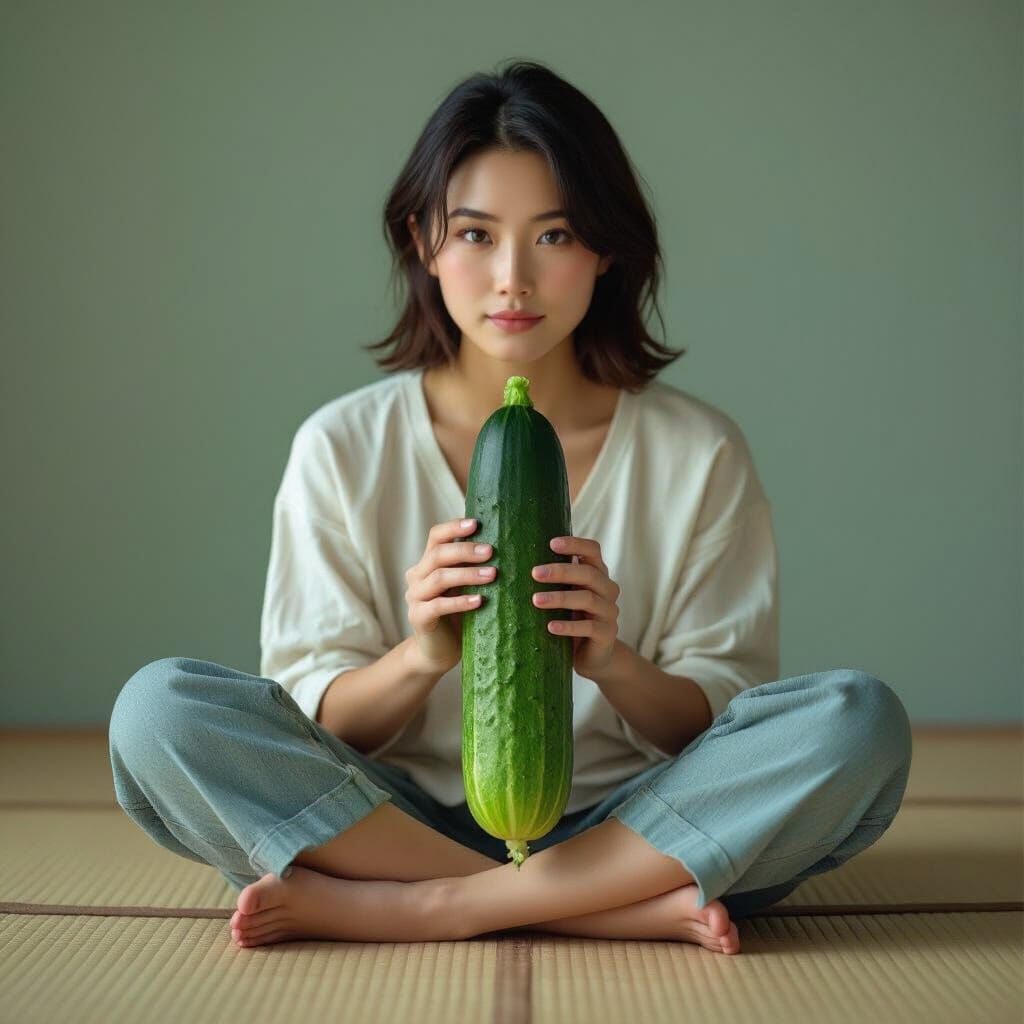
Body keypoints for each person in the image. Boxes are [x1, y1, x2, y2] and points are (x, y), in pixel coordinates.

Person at [108, 59, 912, 953]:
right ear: (423, 241)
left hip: (632, 820)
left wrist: (613, 662)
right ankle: (592, 907)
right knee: (158, 713)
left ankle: (436, 908)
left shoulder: (701, 452)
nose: (513, 279)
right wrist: (419, 655)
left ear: (605, 248)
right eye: (476, 234)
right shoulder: (340, 446)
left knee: (857, 721)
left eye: (554, 234)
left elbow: (717, 720)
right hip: (387, 820)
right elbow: (312, 718)